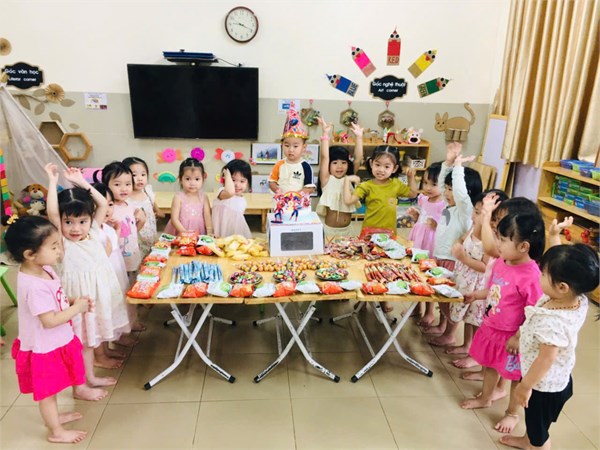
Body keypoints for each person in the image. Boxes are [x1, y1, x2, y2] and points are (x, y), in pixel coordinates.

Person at [499, 244, 598, 450]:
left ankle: (534, 444)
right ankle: (527, 440)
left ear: (562, 287)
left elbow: (546, 358)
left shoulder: (552, 322)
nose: (539, 275)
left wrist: (525, 386)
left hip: (542, 387)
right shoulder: (575, 299)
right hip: (557, 378)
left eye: (543, 273)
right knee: (536, 422)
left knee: (540, 434)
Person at [4, 216, 93, 443]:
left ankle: (54, 418)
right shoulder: (34, 286)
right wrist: (77, 309)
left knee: (55, 385)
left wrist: (71, 301)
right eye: (53, 247)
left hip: (56, 340)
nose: (59, 251)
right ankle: (56, 432)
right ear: (29, 254)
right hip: (44, 347)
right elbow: (49, 320)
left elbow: (55, 299)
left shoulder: (43, 269)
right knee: (48, 393)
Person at [46, 164, 131, 396]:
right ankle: (79, 386)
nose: (76, 228)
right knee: (79, 343)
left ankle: (89, 377)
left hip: (96, 299)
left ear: (90, 219)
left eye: (82, 221)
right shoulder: (62, 242)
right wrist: (52, 182)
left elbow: (102, 203)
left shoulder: (93, 230)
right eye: (68, 222)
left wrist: (82, 183)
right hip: (78, 302)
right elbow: (52, 213)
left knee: (90, 341)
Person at [459, 212, 546, 436]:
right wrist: (476, 295)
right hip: (492, 327)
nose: (497, 244)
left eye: (503, 239)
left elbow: (535, 313)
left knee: (515, 375)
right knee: (490, 365)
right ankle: (485, 398)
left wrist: (518, 336)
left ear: (523, 246)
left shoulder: (532, 276)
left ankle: (512, 413)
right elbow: (494, 290)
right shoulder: (501, 262)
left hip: (513, 336)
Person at [343, 145, 418, 313]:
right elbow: (348, 201)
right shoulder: (367, 186)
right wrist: (347, 181)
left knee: (386, 268)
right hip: (369, 234)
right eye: (377, 165)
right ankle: (364, 298)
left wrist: (411, 177)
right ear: (371, 164)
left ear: (395, 168)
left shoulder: (396, 184)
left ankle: (384, 301)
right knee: (368, 267)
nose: (381, 170)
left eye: (387, 166)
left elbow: (413, 193)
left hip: (389, 235)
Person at [420, 142, 482, 334]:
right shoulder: (450, 205)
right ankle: (442, 327)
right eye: (446, 188)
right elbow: (441, 184)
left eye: (450, 189)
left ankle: (449, 335)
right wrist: (448, 162)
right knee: (442, 299)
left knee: (451, 301)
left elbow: (460, 193)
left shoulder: (465, 210)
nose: (446, 192)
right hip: (441, 257)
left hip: (452, 261)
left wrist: (457, 167)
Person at [95, 161, 146, 332]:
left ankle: (132, 321)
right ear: (106, 185)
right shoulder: (108, 209)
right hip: (116, 261)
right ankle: (122, 328)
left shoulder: (129, 205)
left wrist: (141, 220)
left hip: (131, 257)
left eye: (128, 184)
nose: (124, 189)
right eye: (117, 184)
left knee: (130, 292)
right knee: (119, 296)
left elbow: (132, 231)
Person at [92, 182, 130, 364]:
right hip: (102, 280)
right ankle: (100, 356)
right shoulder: (91, 231)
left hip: (114, 275)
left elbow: (113, 248)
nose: (106, 209)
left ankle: (107, 349)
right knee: (100, 317)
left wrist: (117, 230)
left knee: (109, 313)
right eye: (101, 205)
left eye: (110, 204)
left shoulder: (106, 227)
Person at [405, 162, 445, 324]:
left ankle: (429, 312)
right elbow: (422, 217)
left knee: (429, 274)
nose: (428, 188)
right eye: (426, 183)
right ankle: (416, 307)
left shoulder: (444, 204)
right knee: (415, 271)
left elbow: (448, 226)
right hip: (419, 239)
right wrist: (416, 216)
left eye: (434, 184)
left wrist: (437, 225)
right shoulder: (424, 199)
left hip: (431, 242)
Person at [315, 116, 364, 239]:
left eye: (343, 162)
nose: (339, 166)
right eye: (335, 163)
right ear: (329, 165)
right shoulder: (326, 179)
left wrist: (359, 137)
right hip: (328, 231)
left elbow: (358, 159)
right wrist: (325, 134)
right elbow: (325, 157)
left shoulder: (349, 179)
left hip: (348, 231)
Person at [123, 157, 164, 256]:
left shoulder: (147, 191)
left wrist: (158, 211)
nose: (140, 178)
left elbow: (151, 202)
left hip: (151, 233)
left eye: (143, 174)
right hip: (137, 237)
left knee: (151, 257)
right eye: (134, 175)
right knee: (139, 258)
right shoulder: (125, 197)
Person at [269, 109, 315, 195]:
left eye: (295, 146)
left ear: (304, 147)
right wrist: (277, 190)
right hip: (281, 201)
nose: (291, 150)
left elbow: (309, 187)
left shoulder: (306, 167)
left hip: (298, 202)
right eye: (287, 145)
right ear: (282, 145)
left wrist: (295, 196)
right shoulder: (279, 165)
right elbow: (272, 182)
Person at [164, 157, 213, 236]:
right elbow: (174, 219)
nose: (192, 183)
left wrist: (210, 231)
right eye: (188, 179)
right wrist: (185, 233)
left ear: (203, 179)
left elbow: (207, 216)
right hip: (181, 230)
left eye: (197, 179)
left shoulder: (204, 197)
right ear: (180, 179)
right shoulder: (178, 197)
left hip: (198, 229)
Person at [212, 159, 252, 238]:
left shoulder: (242, 200)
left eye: (242, 181)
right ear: (225, 179)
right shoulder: (222, 192)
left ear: (248, 183)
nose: (237, 185)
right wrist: (227, 175)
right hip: (220, 234)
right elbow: (230, 192)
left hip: (237, 234)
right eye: (233, 180)